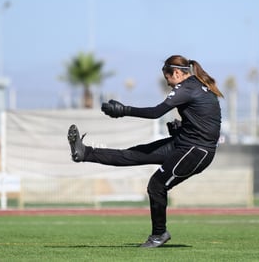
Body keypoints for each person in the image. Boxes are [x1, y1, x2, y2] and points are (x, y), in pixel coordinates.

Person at [67, 55, 223, 248]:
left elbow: (155, 112)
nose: (167, 83)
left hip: (196, 152)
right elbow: (207, 120)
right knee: (132, 155)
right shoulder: (197, 85)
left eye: (167, 78)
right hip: (183, 143)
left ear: (175, 73)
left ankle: (159, 234)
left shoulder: (187, 88)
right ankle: (85, 153)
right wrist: (182, 128)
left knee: (156, 185)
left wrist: (123, 110)